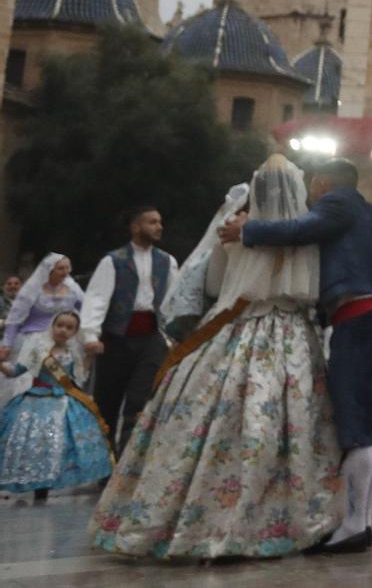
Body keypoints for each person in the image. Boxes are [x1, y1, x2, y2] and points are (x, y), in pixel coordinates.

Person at [93, 156, 343, 560]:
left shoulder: (234, 230)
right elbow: (313, 288)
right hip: (293, 334)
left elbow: (212, 283)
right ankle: (284, 516)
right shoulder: (309, 236)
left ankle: (191, 513)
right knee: (290, 421)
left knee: (204, 417)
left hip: (236, 324)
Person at [220, 155, 372, 556]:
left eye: (311, 184)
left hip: (359, 321)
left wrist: (246, 229)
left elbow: (300, 229)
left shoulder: (339, 203)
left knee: (354, 426)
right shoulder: (368, 211)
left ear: (322, 181)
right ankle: (363, 522)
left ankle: (353, 525)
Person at [79, 204, 176, 453]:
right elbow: (97, 298)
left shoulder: (167, 262)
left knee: (140, 399)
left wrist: (172, 336)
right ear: (136, 227)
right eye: (152, 222)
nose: (159, 227)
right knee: (107, 401)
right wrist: (91, 334)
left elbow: (173, 301)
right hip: (116, 338)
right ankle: (105, 461)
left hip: (151, 339)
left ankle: (128, 461)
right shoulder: (113, 261)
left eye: (160, 222)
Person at [0, 309, 110, 502]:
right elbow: (16, 370)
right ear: (52, 326)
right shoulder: (39, 351)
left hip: (63, 400)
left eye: (69, 328)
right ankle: (37, 485)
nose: (63, 330)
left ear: (75, 332)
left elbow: (79, 377)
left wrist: (90, 357)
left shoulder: (72, 353)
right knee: (34, 442)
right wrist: (2, 363)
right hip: (35, 401)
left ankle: (52, 480)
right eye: (60, 325)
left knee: (60, 442)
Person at [0, 255, 84, 410]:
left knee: (61, 380)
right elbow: (15, 319)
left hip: (63, 341)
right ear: (50, 270)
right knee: (23, 383)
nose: (65, 272)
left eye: (68, 268)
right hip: (33, 340)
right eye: (60, 268)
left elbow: (84, 311)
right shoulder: (34, 290)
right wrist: (6, 345)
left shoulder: (72, 289)